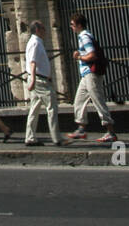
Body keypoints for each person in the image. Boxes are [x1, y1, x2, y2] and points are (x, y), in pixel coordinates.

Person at [66, 12, 117, 144]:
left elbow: (92, 55)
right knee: (79, 101)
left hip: (91, 74)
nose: (71, 27)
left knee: (98, 101)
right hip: (85, 75)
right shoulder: (83, 37)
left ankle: (110, 132)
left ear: (78, 25)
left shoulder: (84, 37)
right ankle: (81, 129)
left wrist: (79, 57)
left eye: (72, 24)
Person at [24, 19, 63, 147]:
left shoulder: (35, 42)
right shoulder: (35, 43)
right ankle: (57, 138)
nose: (45, 31)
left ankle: (30, 137)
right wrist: (34, 79)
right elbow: (33, 62)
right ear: (37, 30)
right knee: (52, 106)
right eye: (43, 28)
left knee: (34, 109)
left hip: (38, 78)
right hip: (39, 80)